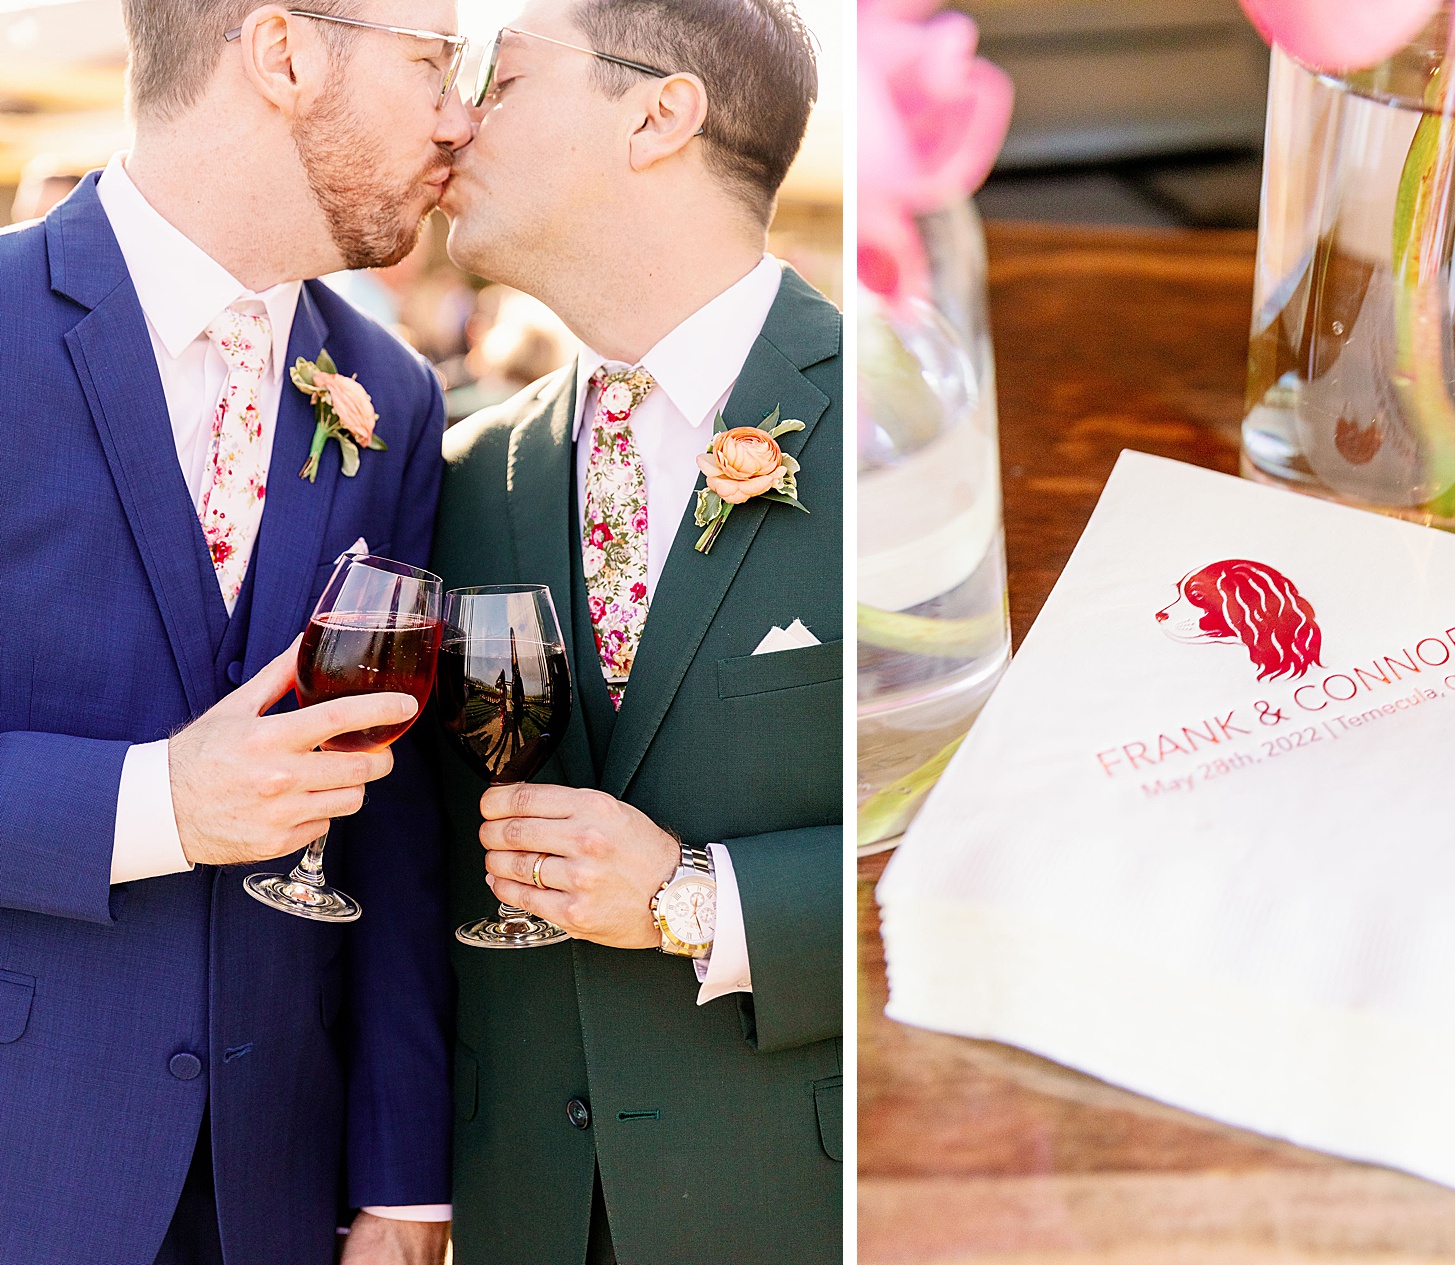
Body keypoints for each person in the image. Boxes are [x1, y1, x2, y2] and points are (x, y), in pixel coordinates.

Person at [0, 4, 472, 1263]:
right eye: (433, 63)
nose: (460, 116)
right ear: (283, 52)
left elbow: (401, 810)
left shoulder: (394, 393)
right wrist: (157, 802)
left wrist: (404, 1178)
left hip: (280, 1188)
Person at [432, 1, 842, 1261]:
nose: (453, 118)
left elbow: (980, 849)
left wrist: (691, 897)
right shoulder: (468, 472)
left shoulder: (889, 427)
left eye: (499, 78)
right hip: (520, 1212)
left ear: (657, 112)